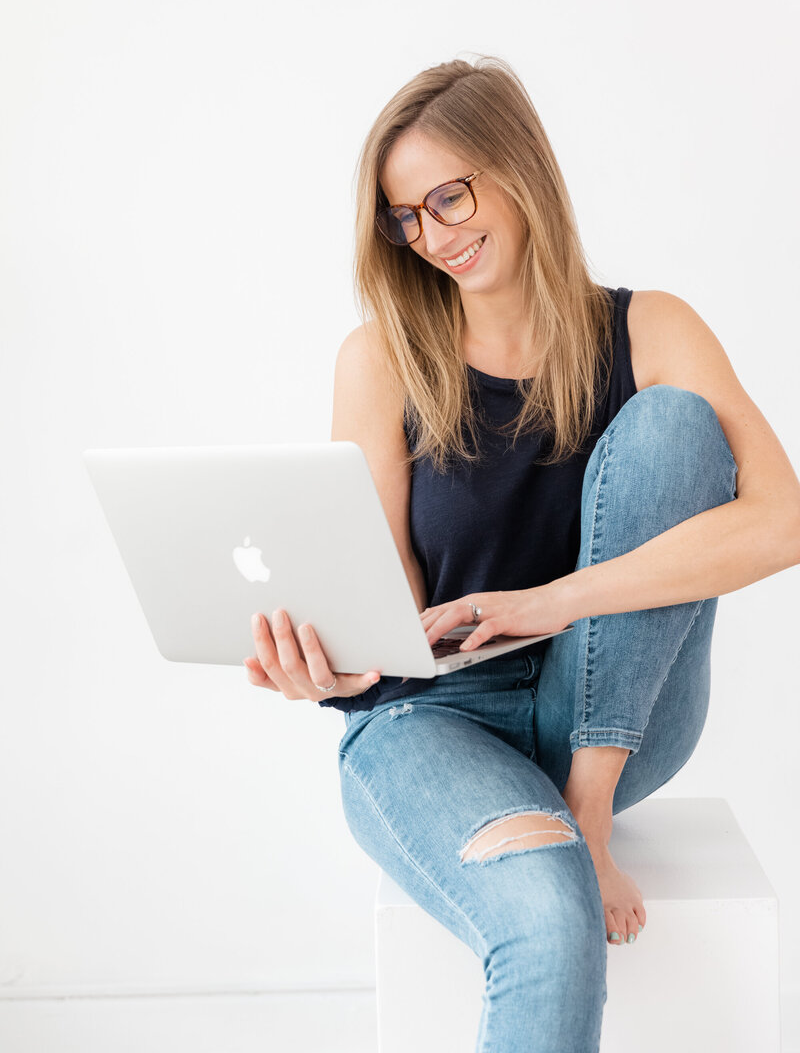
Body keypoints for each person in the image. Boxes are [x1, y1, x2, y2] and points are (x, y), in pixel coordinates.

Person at [243, 55, 800, 1051]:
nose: (435, 234)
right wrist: (333, 663)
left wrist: (555, 600)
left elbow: (778, 521)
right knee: (546, 925)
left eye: (448, 196)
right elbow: (386, 598)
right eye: (407, 217)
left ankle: (584, 813)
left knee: (676, 427)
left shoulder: (652, 328)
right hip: (434, 721)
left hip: (618, 719)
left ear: (519, 166)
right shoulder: (378, 357)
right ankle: (560, 851)